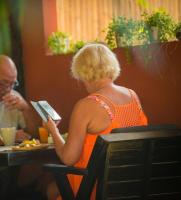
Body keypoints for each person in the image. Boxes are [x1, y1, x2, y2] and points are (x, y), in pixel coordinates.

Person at [44, 43, 148, 199]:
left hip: (94, 188)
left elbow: (68, 158)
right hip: (130, 186)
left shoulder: (86, 105)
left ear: (85, 73)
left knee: (50, 190)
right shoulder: (133, 96)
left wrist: (53, 130)